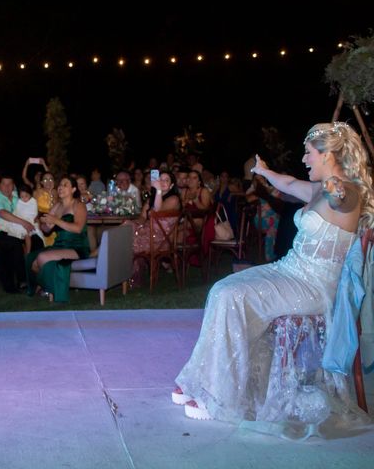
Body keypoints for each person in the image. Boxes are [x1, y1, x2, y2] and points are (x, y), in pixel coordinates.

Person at [173, 122, 374, 438]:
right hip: (290, 270)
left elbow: (341, 199)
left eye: (309, 153)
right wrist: (264, 171)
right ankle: (206, 379)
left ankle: (221, 398)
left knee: (232, 296)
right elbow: (289, 182)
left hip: (314, 285)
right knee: (223, 288)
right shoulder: (318, 188)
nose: (304, 160)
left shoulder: (345, 191)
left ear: (328, 154)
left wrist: (337, 186)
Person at [26, 176, 89, 302]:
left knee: (42, 258)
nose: (60, 187)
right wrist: (44, 223)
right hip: (59, 245)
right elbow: (47, 230)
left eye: (65, 185)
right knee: (30, 259)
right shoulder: (57, 206)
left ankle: (50, 289)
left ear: (73, 189)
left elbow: (78, 228)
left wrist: (56, 221)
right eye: (60, 184)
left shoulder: (79, 205)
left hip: (76, 246)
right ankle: (46, 286)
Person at [126, 171, 181, 286]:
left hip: (162, 240)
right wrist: (136, 224)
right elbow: (142, 217)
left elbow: (157, 210)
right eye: (161, 179)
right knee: (126, 227)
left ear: (171, 185)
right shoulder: (152, 198)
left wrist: (159, 191)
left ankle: (131, 277)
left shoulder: (174, 199)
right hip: (147, 231)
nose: (163, 182)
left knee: (129, 241)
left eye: (166, 180)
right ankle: (113, 272)